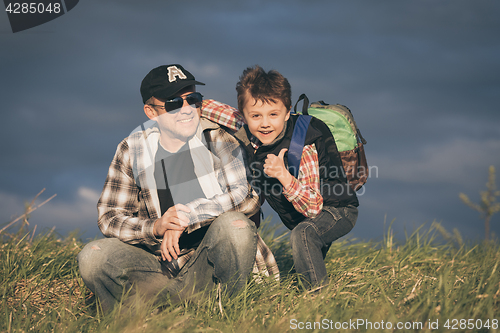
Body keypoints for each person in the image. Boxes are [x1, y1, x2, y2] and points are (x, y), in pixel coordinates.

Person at [77, 64, 279, 313]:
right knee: (93, 256)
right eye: (173, 103)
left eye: (192, 100)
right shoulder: (133, 149)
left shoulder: (218, 139)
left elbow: (245, 196)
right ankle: (142, 319)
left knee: (235, 226)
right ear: (151, 111)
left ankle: (228, 312)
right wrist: (157, 226)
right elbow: (110, 217)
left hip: (210, 265)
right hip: (158, 267)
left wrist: (186, 216)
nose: (186, 110)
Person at [201, 65, 359, 288]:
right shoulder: (249, 128)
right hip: (301, 213)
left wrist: (284, 176)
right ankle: (302, 286)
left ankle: (318, 300)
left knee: (304, 235)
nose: (265, 123)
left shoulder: (302, 146)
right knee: (305, 248)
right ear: (244, 115)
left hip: (336, 210)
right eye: (255, 115)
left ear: (287, 112)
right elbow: (215, 109)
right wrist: (187, 104)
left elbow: (314, 208)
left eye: (273, 115)